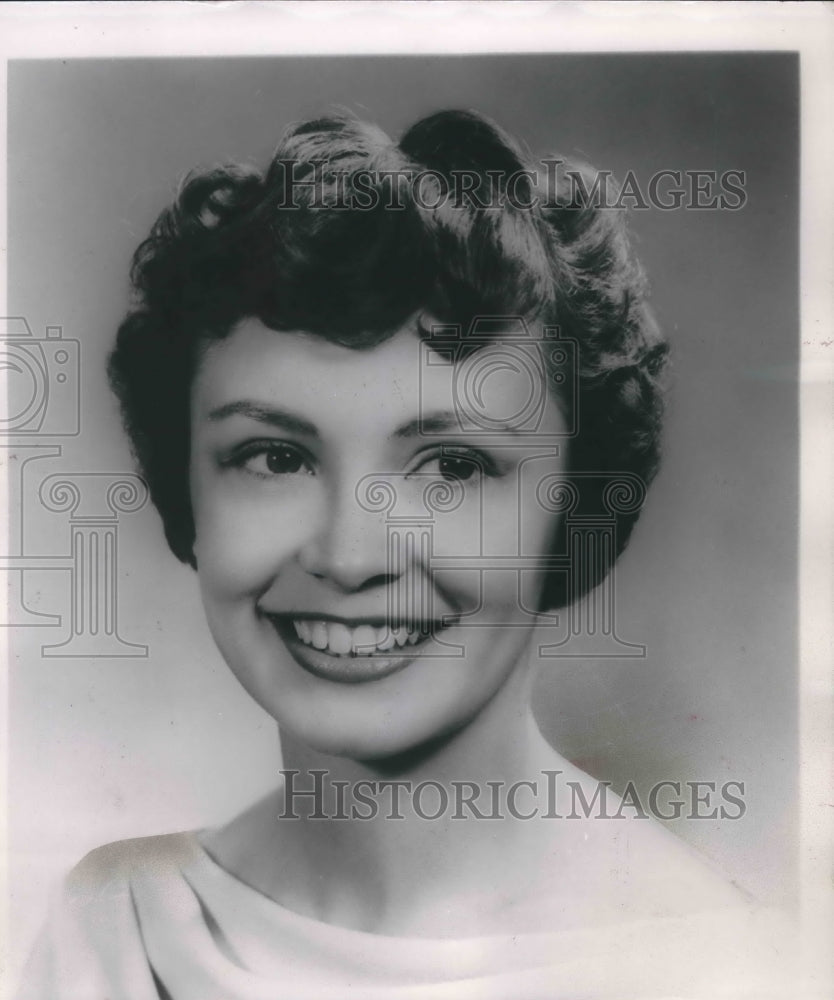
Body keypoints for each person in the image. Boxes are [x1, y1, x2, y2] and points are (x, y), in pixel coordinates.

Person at [20, 110, 793, 999]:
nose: (350, 556)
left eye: (453, 466)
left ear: (573, 501)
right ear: (187, 486)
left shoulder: (726, 970)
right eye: (276, 457)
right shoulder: (108, 936)